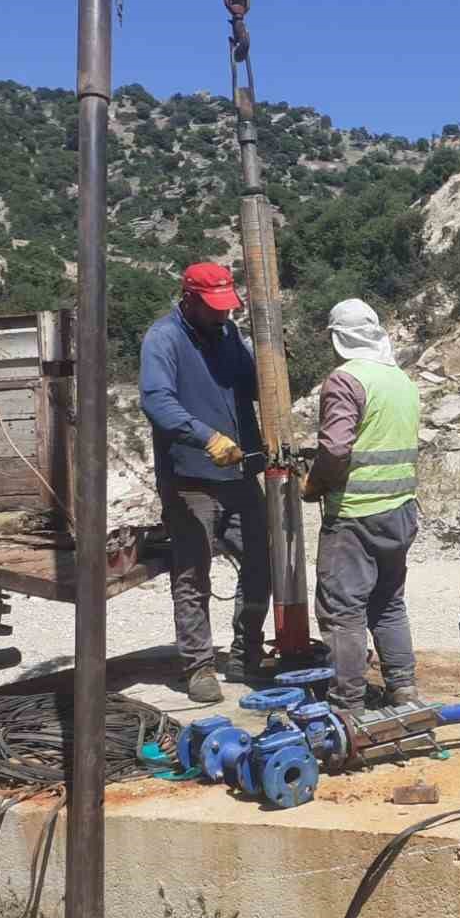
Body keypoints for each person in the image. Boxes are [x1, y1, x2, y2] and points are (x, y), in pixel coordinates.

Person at [139, 262, 270, 704]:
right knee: (193, 571)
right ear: (189, 299)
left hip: (238, 471)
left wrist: (273, 363)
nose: (223, 316)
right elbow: (157, 401)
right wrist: (205, 436)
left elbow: (253, 386)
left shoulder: (230, 336)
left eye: (227, 307)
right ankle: (198, 667)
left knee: (260, 562)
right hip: (190, 475)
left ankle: (246, 652)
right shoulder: (164, 339)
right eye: (214, 308)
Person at [302, 299, 422, 711]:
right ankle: (403, 688)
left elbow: (335, 448)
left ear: (338, 338)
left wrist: (314, 483)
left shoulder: (345, 380)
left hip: (355, 515)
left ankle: (347, 706)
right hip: (401, 510)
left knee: (343, 611)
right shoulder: (401, 380)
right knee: (388, 603)